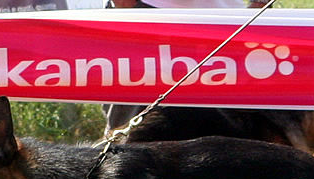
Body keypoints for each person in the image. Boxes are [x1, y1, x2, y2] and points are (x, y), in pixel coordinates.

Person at [103, 0, 270, 135]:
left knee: (228, 148)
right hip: (151, 18)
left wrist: (259, 5)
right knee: (130, 147)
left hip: (231, 23)